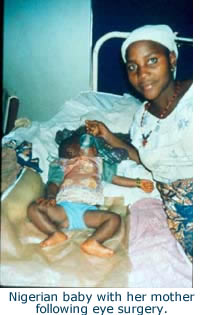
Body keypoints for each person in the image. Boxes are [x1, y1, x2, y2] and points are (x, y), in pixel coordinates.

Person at [85, 24, 193, 262]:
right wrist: (108, 135)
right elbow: (140, 155)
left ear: (172, 59)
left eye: (152, 60)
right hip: (183, 214)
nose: (141, 74)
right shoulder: (142, 118)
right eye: (132, 67)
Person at [27, 132, 121, 258]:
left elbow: (114, 178)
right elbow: (53, 183)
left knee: (114, 219)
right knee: (34, 208)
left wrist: (137, 183)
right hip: (63, 209)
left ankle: (94, 241)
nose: (95, 150)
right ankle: (55, 233)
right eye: (90, 147)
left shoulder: (98, 165)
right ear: (72, 153)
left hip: (88, 211)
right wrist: (50, 197)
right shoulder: (65, 166)